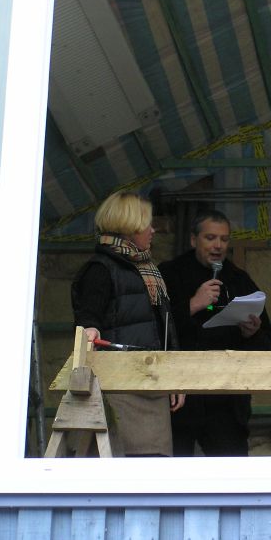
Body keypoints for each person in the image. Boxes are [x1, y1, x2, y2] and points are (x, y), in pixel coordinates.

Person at [71, 191, 184, 457]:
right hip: (119, 389)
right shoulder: (100, 269)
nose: (153, 230)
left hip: (153, 385)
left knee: (154, 467)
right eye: (147, 224)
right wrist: (89, 331)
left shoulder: (147, 270)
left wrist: (176, 376)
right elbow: (88, 320)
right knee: (122, 467)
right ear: (130, 226)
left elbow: (165, 328)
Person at [159, 210, 271, 456]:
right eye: (210, 238)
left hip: (225, 398)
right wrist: (192, 305)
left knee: (230, 470)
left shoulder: (238, 279)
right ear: (194, 240)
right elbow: (154, 329)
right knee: (175, 469)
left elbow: (267, 338)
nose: (218, 246)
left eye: (224, 239)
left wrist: (252, 333)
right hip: (179, 394)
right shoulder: (170, 274)